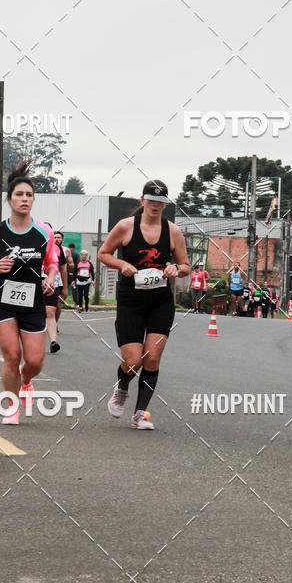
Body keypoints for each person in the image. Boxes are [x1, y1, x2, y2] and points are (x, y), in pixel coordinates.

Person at [99, 179, 189, 430]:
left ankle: (140, 413)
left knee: (152, 360)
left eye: (161, 202)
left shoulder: (173, 231)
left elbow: (185, 266)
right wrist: (122, 265)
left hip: (160, 302)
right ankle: (122, 386)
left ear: (165, 205)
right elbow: (103, 253)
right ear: (142, 200)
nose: (155, 205)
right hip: (131, 302)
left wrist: (175, 268)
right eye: (151, 200)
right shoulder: (125, 227)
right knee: (133, 360)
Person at [0, 161, 58, 425]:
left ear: (33, 200)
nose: (24, 199)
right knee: (12, 355)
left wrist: (49, 278)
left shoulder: (43, 232)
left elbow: (52, 262)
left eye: (29, 195)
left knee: (34, 361)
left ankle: (27, 379)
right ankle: (11, 407)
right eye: (19, 195)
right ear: (9, 199)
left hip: (34, 301)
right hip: (2, 301)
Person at [44, 225, 68, 352]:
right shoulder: (33, 244)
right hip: (34, 284)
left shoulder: (57, 249)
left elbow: (63, 268)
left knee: (51, 311)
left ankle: (53, 342)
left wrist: (65, 287)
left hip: (52, 284)